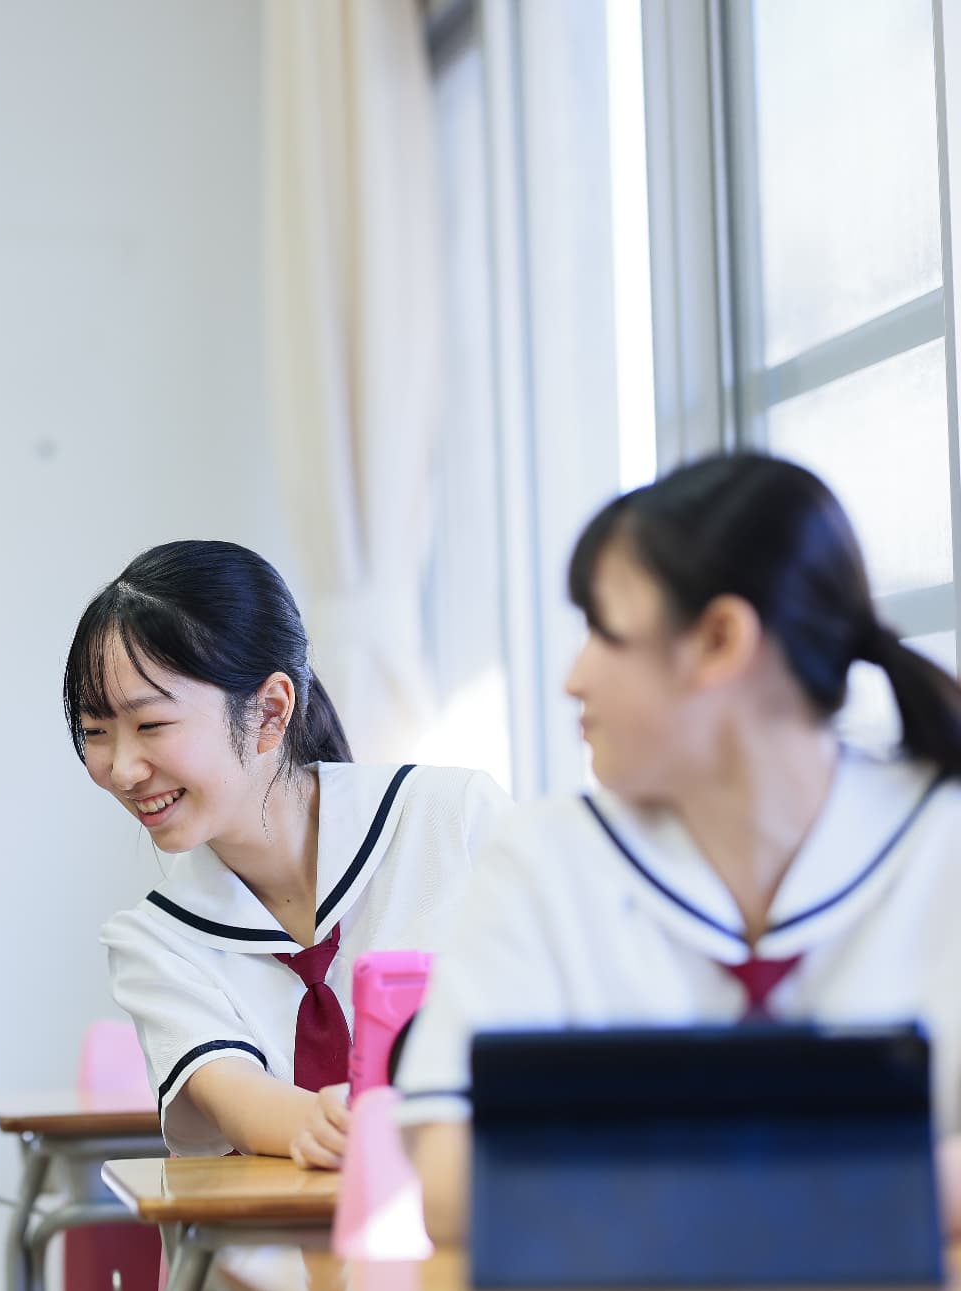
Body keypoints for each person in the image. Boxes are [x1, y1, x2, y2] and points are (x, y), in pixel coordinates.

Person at [398, 452, 961, 1240]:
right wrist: (871, 1188)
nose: (573, 678)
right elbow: (455, 1187)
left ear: (720, 640)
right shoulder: (543, 859)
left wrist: (623, 1188)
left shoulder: (943, 842)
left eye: (603, 630)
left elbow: (518, 1192)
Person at [69, 540, 507, 1167]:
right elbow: (235, 1098)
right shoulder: (153, 939)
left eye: (151, 725)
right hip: (263, 1260)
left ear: (270, 711)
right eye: (95, 732)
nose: (123, 767)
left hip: (469, 1236)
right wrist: (341, 1127)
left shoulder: (453, 820)